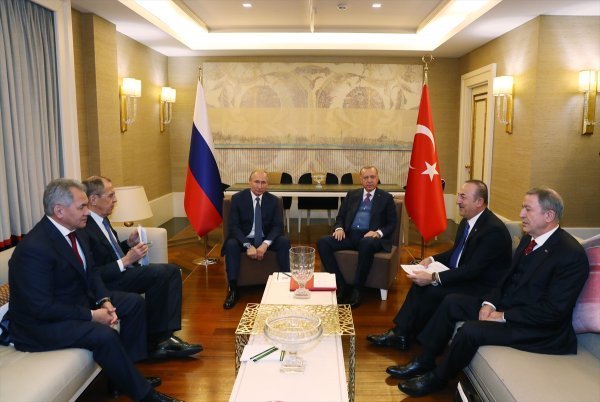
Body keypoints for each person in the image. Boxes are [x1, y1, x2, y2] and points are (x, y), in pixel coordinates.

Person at [393, 188, 589, 397]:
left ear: (549, 215)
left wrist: (502, 316)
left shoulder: (571, 255)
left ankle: (438, 378)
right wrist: (490, 303)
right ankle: (425, 360)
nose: (521, 214)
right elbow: (505, 279)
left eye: (528, 209)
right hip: (509, 307)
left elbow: (553, 311)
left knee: (470, 330)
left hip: (538, 329)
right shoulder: (529, 239)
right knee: (452, 302)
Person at [7, 178, 180, 402]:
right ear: (59, 211)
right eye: (82, 207)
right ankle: (147, 397)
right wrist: (91, 315)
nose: (88, 212)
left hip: (72, 303)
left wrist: (104, 300)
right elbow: (41, 308)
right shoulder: (33, 249)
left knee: (132, 303)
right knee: (104, 335)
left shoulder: (76, 231)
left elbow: (91, 274)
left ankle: (124, 377)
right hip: (39, 326)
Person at [368, 180, 512, 352]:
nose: (458, 201)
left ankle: (419, 342)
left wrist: (433, 277)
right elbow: (457, 252)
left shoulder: (493, 231)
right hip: (466, 276)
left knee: (432, 289)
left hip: (480, 287)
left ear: (479, 202)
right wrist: (431, 259)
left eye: (463, 197)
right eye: (459, 196)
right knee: (419, 284)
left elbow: (472, 270)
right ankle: (401, 333)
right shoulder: (468, 221)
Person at [82, 176, 201, 359]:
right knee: (163, 273)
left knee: (170, 271)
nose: (115, 200)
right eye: (111, 195)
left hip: (120, 274)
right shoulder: (85, 227)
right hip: (107, 283)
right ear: (93, 199)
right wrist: (127, 260)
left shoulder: (103, 220)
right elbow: (93, 273)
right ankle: (160, 340)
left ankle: (162, 336)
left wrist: (128, 244)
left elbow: (110, 253)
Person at [317, 166, 397, 308]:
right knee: (323, 242)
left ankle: (358, 289)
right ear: (361, 179)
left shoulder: (386, 198)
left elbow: (392, 223)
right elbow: (340, 217)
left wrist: (377, 233)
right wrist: (339, 228)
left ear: (377, 178)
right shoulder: (352, 195)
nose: (369, 180)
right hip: (350, 235)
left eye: (372, 177)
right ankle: (341, 285)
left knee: (366, 243)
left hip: (371, 238)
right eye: (366, 177)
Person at [221, 169, 290, 309]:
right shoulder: (238, 199)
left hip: (265, 238)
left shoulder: (273, 201)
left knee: (284, 242)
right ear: (249, 182)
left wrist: (265, 244)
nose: (259, 186)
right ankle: (233, 289)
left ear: (267, 184)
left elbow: (278, 226)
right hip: (245, 239)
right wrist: (247, 245)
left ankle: (285, 284)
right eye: (256, 182)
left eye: (263, 182)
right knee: (231, 244)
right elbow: (233, 226)